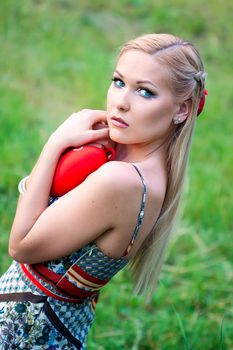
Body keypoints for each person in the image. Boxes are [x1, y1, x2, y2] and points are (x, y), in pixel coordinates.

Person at [0, 33, 207, 349]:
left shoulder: (121, 181)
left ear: (182, 110)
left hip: (24, 330)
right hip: (50, 322)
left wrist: (55, 143)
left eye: (145, 92)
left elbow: (21, 246)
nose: (121, 102)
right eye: (119, 82)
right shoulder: (134, 162)